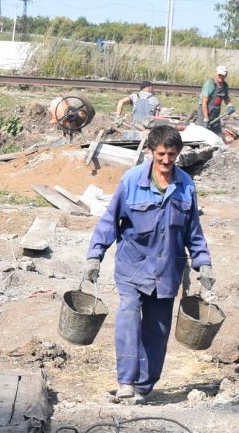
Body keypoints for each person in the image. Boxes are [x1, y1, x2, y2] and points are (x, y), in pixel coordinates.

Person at [82, 125, 215, 403]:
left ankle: (144, 385)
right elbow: (110, 220)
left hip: (167, 271)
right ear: (151, 152)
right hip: (132, 267)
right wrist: (95, 255)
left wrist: (204, 264)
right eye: (162, 154)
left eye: (172, 155)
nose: (167, 161)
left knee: (157, 329)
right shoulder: (131, 181)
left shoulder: (185, 186)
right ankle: (126, 382)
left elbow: (193, 231)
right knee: (128, 319)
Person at [197, 65, 231, 133]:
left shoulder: (225, 85)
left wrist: (230, 105)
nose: (221, 77)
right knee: (202, 133)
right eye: (219, 75)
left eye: (223, 75)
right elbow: (204, 102)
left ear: (225, 75)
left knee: (217, 134)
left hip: (215, 113)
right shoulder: (209, 84)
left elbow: (226, 98)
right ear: (216, 73)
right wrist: (206, 119)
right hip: (204, 112)